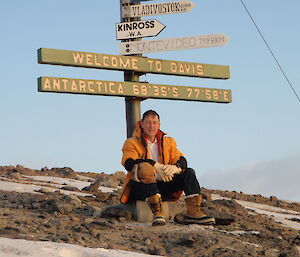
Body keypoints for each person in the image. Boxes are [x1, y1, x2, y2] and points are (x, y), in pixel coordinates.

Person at [121, 110, 215, 226]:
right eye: (148, 122)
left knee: (188, 172)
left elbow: (181, 159)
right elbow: (129, 163)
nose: (151, 126)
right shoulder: (131, 143)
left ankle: (194, 213)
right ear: (141, 124)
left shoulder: (168, 142)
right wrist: (154, 165)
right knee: (145, 167)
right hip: (140, 187)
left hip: (164, 185)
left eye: (154, 123)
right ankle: (157, 213)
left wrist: (177, 168)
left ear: (159, 124)